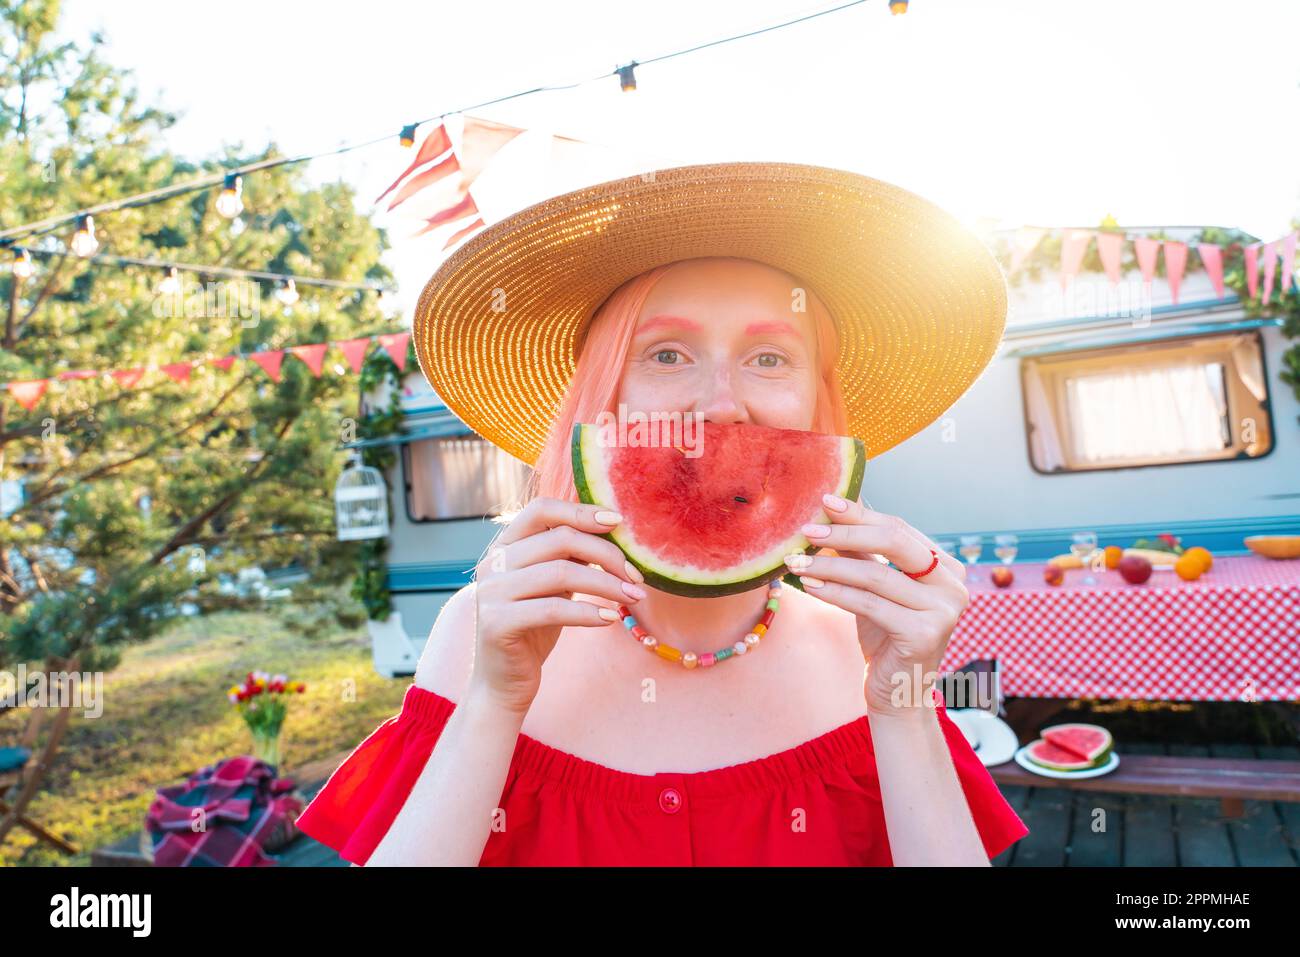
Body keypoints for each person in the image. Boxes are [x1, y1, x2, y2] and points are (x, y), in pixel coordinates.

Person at [297, 162, 1028, 866]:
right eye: (667, 354)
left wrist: (902, 705)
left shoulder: (866, 654)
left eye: (770, 357)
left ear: (818, 408)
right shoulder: (483, 632)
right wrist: (495, 699)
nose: (720, 403)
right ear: (603, 403)